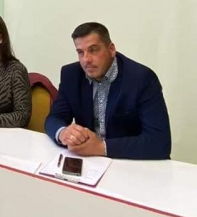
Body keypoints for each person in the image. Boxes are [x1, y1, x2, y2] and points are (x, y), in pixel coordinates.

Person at [45, 22, 171, 159]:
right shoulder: (71, 75)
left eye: (93, 50)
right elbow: (54, 118)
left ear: (111, 49)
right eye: (80, 52)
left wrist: (101, 147)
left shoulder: (142, 79)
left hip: (129, 161)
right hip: (89, 162)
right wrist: (63, 133)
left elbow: (159, 142)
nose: (86, 59)